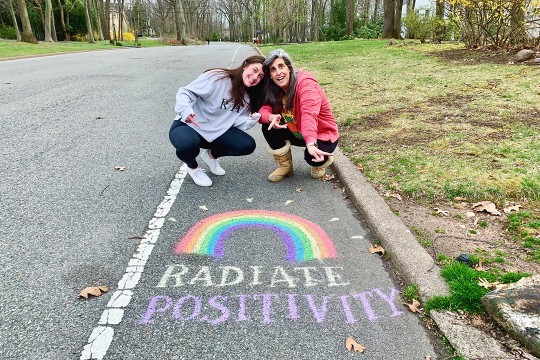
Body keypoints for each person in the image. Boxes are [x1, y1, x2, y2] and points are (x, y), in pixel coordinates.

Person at [169, 55, 265, 186]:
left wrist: (249, 121)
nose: (255, 78)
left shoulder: (249, 96)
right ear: (245, 65)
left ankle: (211, 156)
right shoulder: (217, 77)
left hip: (215, 133)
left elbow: (234, 122)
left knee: (247, 144)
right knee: (187, 145)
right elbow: (184, 92)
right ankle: (193, 168)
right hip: (190, 126)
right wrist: (186, 110)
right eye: (254, 70)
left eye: (260, 76)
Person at [258, 49, 339, 182]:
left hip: (319, 133)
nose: (278, 73)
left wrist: (311, 144)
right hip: (296, 131)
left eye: (281, 66)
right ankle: (285, 166)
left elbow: (309, 115)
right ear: (270, 75)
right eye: (273, 69)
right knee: (268, 126)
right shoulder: (275, 89)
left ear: (289, 68)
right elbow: (263, 110)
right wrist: (270, 117)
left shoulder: (306, 85)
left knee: (313, 157)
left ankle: (317, 165)